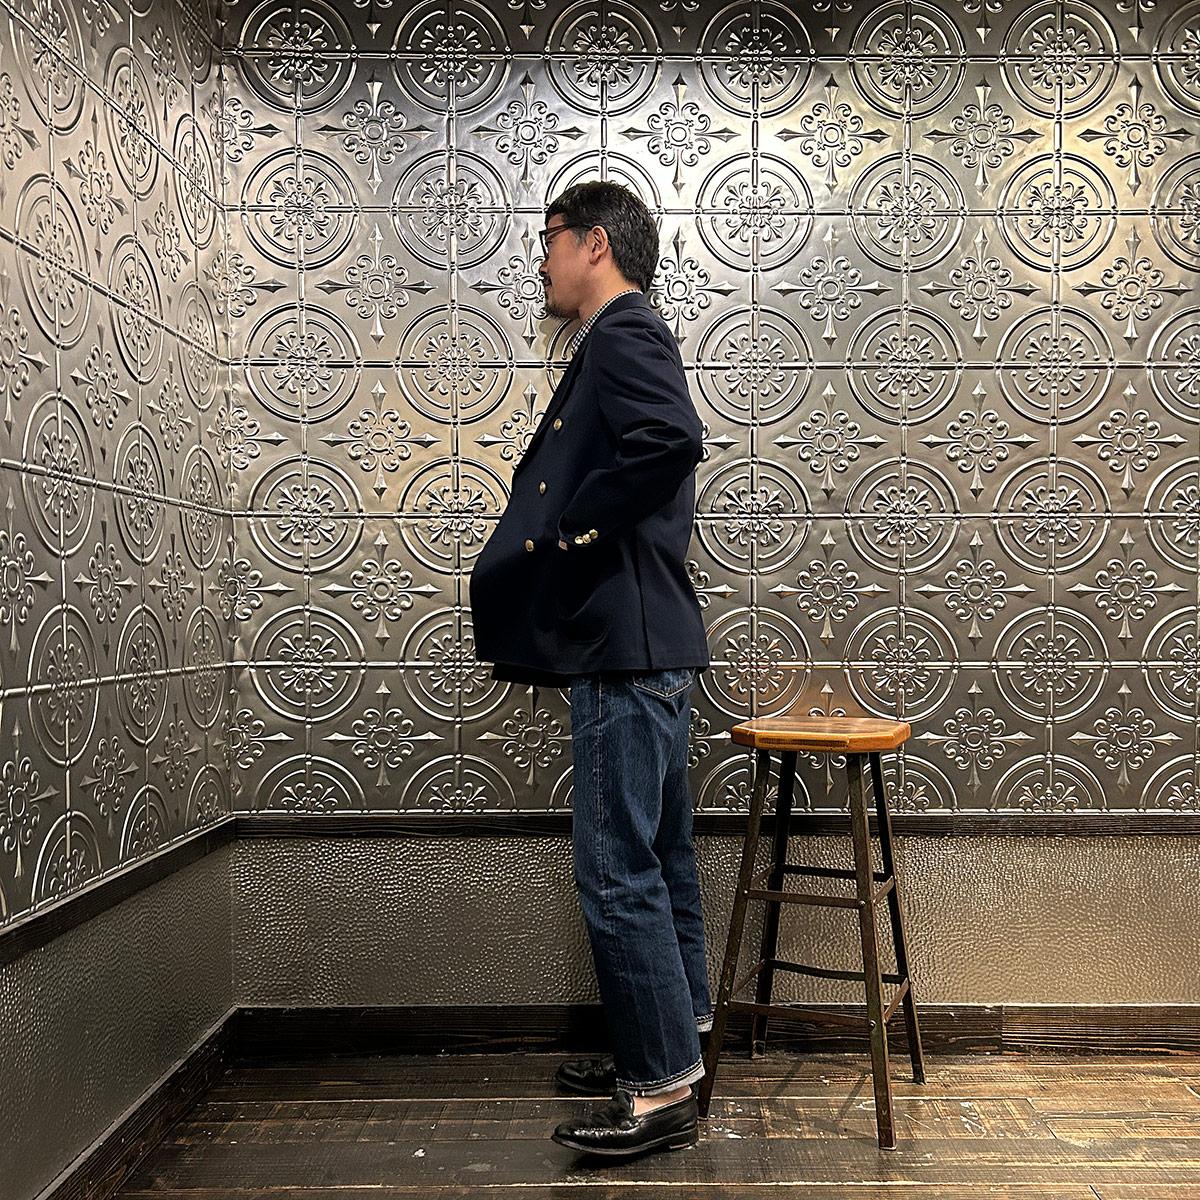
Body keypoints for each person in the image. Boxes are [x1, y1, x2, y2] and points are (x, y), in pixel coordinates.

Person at [469, 181, 713, 1159]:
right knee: (660, 859)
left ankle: (661, 1090)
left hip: (626, 645)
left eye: (550, 240)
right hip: (653, 642)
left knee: (616, 871)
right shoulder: (621, 336)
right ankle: (679, 1045)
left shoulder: (622, 333)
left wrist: (572, 528)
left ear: (594, 244)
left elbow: (671, 441)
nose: (542, 261)